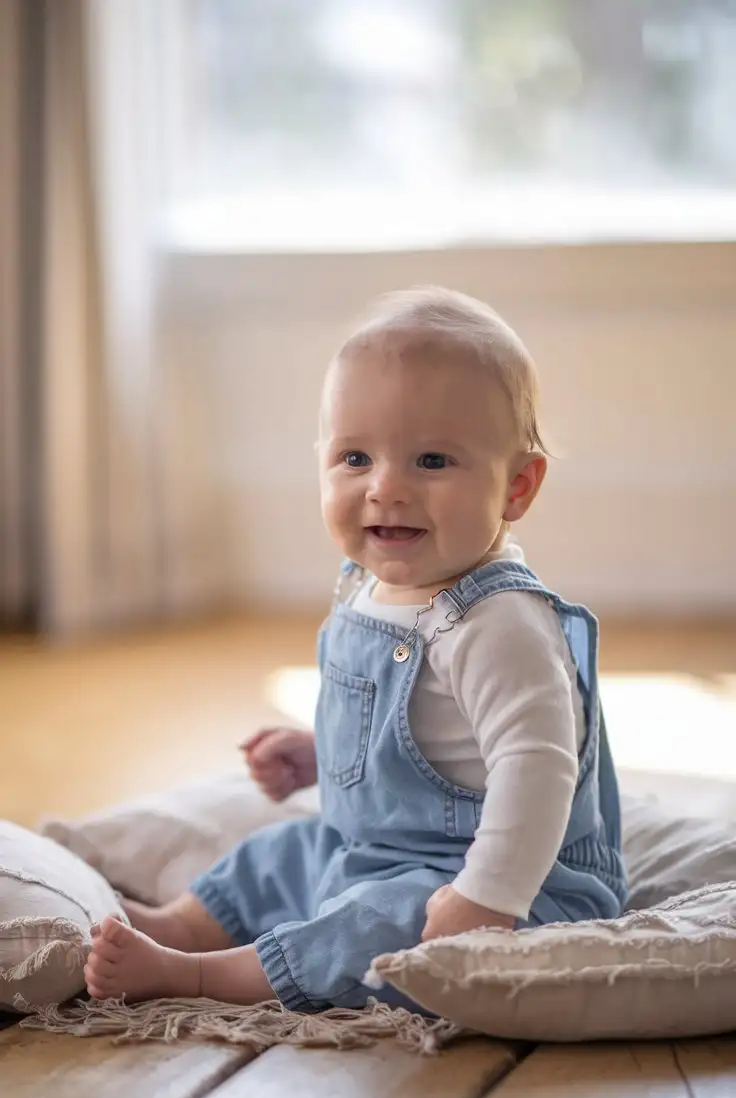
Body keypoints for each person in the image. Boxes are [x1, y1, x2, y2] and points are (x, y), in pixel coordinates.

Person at [84, 286, 626, 1011]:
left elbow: (538, 769)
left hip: (516, 886)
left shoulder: (500, 624)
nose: (386, 488)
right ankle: (177, 927)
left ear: (517, 486)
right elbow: (423, 736)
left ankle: (198, 978)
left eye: (432, 460)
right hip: (371, 850)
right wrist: (321, 751)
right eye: (355, 457)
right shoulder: (368, 589)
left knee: (373, 924)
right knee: (278, 856)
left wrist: (487, 897)